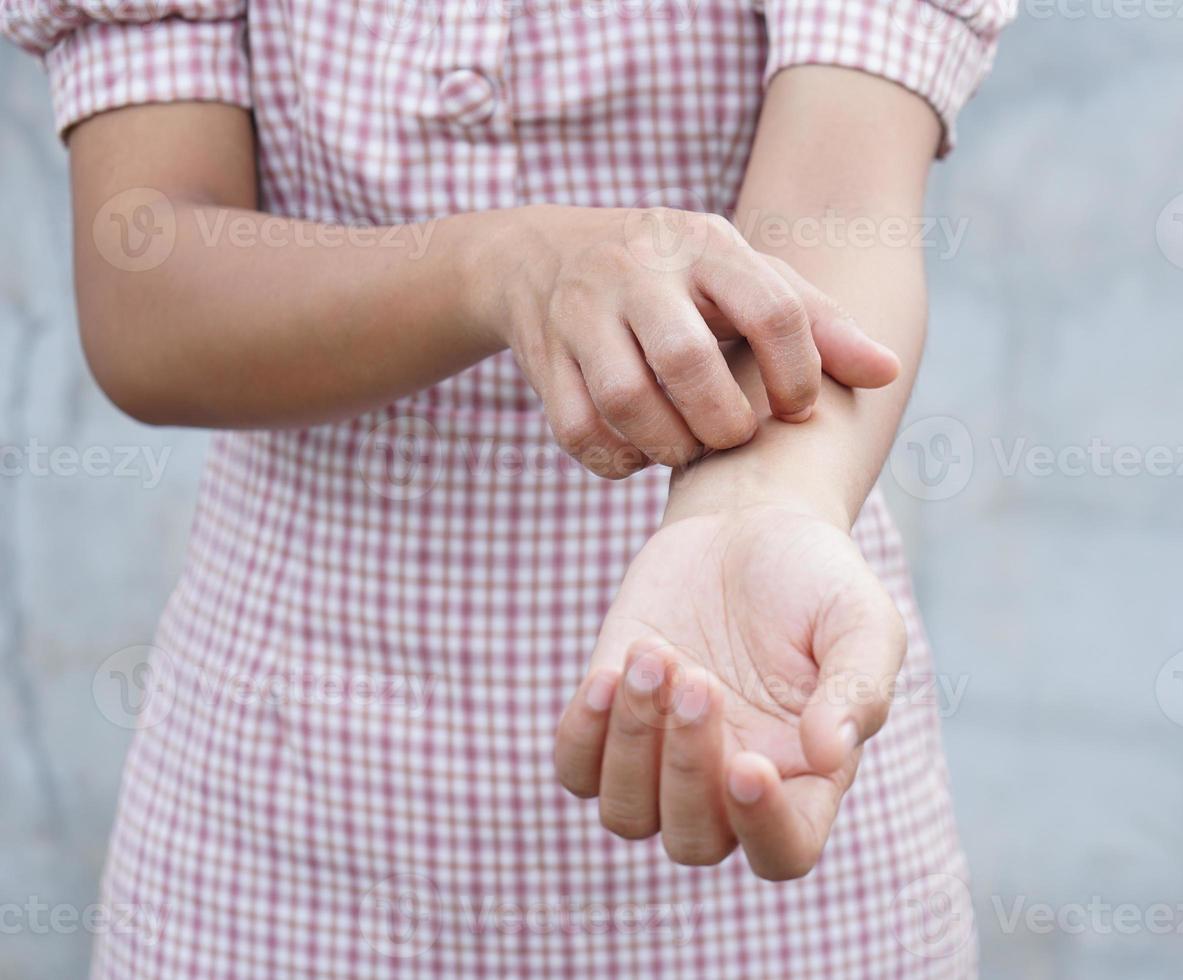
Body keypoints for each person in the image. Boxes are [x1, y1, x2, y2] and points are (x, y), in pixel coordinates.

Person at [1, 0, 1012, 973]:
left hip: (750, 715)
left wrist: (760, 503)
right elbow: (146, 290)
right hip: (279, 809)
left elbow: (841, 208)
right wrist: (498, 263)